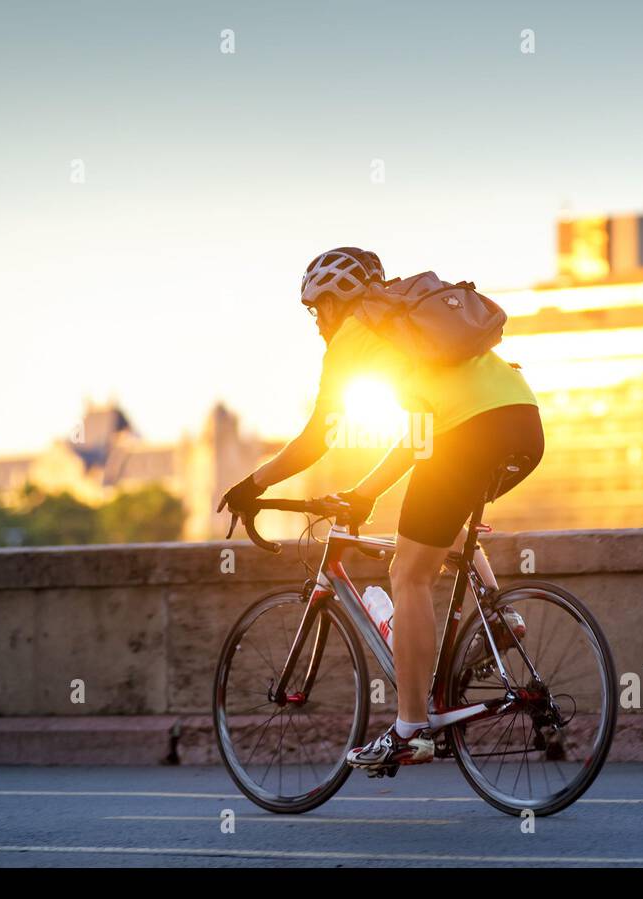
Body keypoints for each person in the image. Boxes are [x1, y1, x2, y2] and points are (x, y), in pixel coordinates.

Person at [218, 246, 544, 770]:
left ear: (334, 300)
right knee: (438, 524)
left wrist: (249, 486)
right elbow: (420, 437)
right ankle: (499, 615)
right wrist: (368, 491)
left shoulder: (356, 334)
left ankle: (411, 728)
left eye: (317, 309)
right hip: (522, 423)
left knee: (408, 572)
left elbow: (314, 441)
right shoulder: (410, 326)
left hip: (469, 436)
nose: (317, 323)